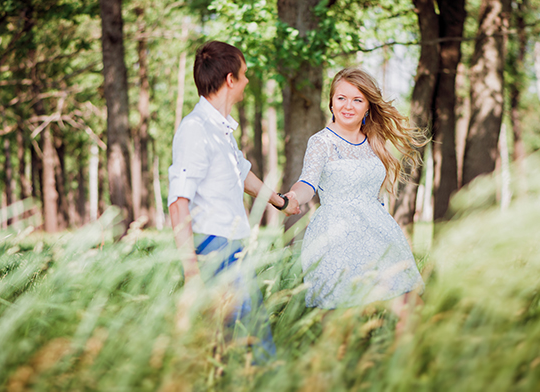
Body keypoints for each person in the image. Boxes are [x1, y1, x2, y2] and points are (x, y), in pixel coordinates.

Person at [167, 40, 299, 361]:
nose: (247, 81)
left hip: (234, 248)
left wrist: (281, 202)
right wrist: (191, 273)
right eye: (244, 74)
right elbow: (177, 202)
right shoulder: (195, 129)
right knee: (258, 342)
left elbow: (244, 176)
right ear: (230, 80)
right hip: (215, 248)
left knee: (223, 347)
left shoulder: (220, 130)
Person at [285, 68, 427, 313]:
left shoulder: (374, 140)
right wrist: (293, 196)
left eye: (357, 99)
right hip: (336, 235)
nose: (348, 106)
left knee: (410, 304)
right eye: (341, 98)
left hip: (378, 232)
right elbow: (308, 183)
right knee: (341, 316)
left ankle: (405, 352)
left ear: (367, 106)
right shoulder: (321, 142)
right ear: (331, 103)